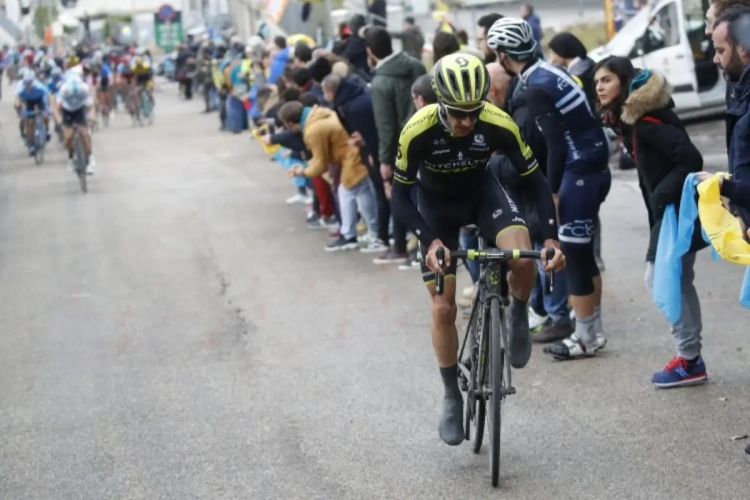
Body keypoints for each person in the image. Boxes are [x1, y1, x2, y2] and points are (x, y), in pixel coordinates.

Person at [391, 52, 563, 446]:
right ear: (439, 103)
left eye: (474, 111)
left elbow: (535, 178)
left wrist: (551, 238)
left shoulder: (496, 122)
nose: (466, 122)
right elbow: (399, 198)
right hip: (435, 210)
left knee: (522, 254)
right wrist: (429, 239)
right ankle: (451, 394)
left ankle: (518, 312)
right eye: (457, 113)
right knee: (442, 306)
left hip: (482, 195)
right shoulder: (416, 130)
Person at [488, 18, 611, 357]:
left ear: (502, 54)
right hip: (593, 166)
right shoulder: (548, 72)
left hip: (579, 171)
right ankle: (592, 331)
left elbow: (554, 145)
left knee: (574, 258)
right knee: (583, 256)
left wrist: (553, 193)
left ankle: (584, 337)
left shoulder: (535, 88)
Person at [595, 57, 707, 387]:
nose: (599, 87)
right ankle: (690, 357)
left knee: (659, 279)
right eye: (597, 82)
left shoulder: (646, 123)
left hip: (675, 211)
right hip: (675, 209)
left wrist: (661, 195)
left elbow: (690, 158)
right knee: (679, 279)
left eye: (606, 80)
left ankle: (689, 359)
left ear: (625, 83)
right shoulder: (633, 120)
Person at [280, 101, 380, 252]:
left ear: (289, 123)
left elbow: (320, 165)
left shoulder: (312, 130)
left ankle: (351, 236)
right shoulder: (319, 113)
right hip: (355, 152)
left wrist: (303, 171)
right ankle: (373, 232)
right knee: (361, 192)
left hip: (351, 157)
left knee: (347, 193)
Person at [365, 27, 427, 264]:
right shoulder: (416, 66)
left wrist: (384, 160)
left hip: (403, 147)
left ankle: (401, 246)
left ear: (371, 51)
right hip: (427, 136)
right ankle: (419, 247)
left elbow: (385, 126)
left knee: (400, 197)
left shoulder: (380, 82)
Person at [713, 5, 750, 229]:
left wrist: (724, 186)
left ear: (744, 48)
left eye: (721, 50)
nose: (716, 59)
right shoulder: (738, 88)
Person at [54, 72, 95, 174]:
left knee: (84, 134)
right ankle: (71, 157)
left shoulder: (84, 88)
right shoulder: (64, 89)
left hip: (80, 110)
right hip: (67, 110)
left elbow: (91, 107)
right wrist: (59, 121)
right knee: (68, 137)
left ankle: (89, 158)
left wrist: (91, 118)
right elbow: (57, 108)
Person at [15, 70, 50, 156]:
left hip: (40, 101)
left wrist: (47, 110)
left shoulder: (39, 87)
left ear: (32, 83)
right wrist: (19, 107)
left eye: (29, 84)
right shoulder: (22, 89)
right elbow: (18, 99)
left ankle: (47, 130)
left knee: (45, 116)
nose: (28, 87)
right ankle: (31, 145)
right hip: (29, 103)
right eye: (26, 85)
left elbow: (47, 97)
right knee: (30, 123)